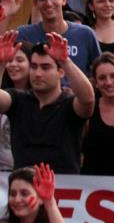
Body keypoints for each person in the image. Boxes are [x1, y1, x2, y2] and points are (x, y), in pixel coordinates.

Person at [0, 32, 95, 172]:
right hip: (24, 186)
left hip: (64, 188)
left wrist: (65, 60)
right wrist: (2, 64)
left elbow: (88, 99)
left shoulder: (69, 104)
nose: (38, 74)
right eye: (33, 66)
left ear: (61, 72)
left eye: (45, 67)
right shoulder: (18, 100)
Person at [5, 165, 72, 223]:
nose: (17, 200)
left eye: (24, 194)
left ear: (40, 198)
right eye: (13, 194)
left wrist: (49, 202)